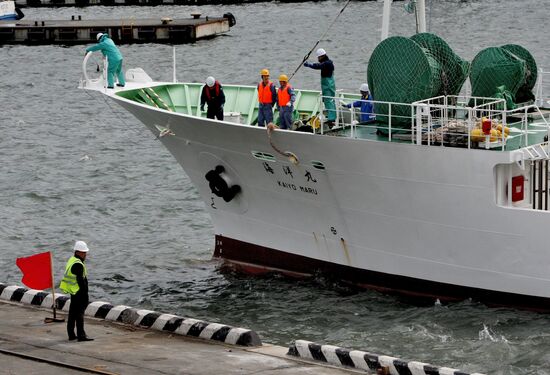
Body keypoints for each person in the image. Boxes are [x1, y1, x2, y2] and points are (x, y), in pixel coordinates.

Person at [59, 241, 93, 342]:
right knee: (79, 314)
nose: (85, 254)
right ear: (78, 252)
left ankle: (71, 334)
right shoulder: (78, 264)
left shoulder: (72, 260)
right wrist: (85, 295)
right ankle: (81, 335)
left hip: (73, 292)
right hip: (79, 293)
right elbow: (81, 282)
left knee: (72, 314)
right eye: (84, 252)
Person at [303, 48, 336, 127]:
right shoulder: (327, 62)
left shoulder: (327, 63)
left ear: (321, 56)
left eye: (318, 57)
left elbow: (318, 66)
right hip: (326, 86)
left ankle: (332, 119)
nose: (318, 59)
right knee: (328, 101)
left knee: (329, 101)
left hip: (328, 86)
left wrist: (309, 65)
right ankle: (331, 117)